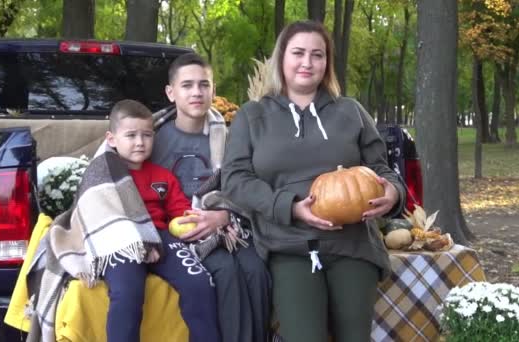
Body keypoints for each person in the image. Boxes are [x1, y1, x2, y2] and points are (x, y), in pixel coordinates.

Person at [221, 20, 407, 342]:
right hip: (289, 246)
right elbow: (235, 180)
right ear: (281, 59)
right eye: (298, 53)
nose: (307, 62)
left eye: (317, 55)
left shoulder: (351, 112)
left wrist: (392, 192)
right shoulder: (252, 116)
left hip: (352, 246)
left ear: (327, 63)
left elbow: (382, 169)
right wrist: (290, 208)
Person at [150, 53, 271, 342]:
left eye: (204, 85)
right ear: (171, 92)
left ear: (213, 91)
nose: (196, 92)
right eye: (187, 85)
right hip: (175, 230)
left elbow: (246, 185)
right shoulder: (151, 138)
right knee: (225, 271)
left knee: (255, 269)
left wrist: (225, 215)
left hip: (224, 226)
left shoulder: (230, 137)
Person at [103, 99, 221, 342]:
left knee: (199, 282)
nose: (140, 142)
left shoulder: (162, 176)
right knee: (127, 293)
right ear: (112, 139)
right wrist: (141, 242)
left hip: (163, 236)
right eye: (131, 135)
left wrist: (191, 221)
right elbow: (100, 214)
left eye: (147, 135)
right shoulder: (102, 174)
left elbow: (179, 210)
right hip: (120, 239)